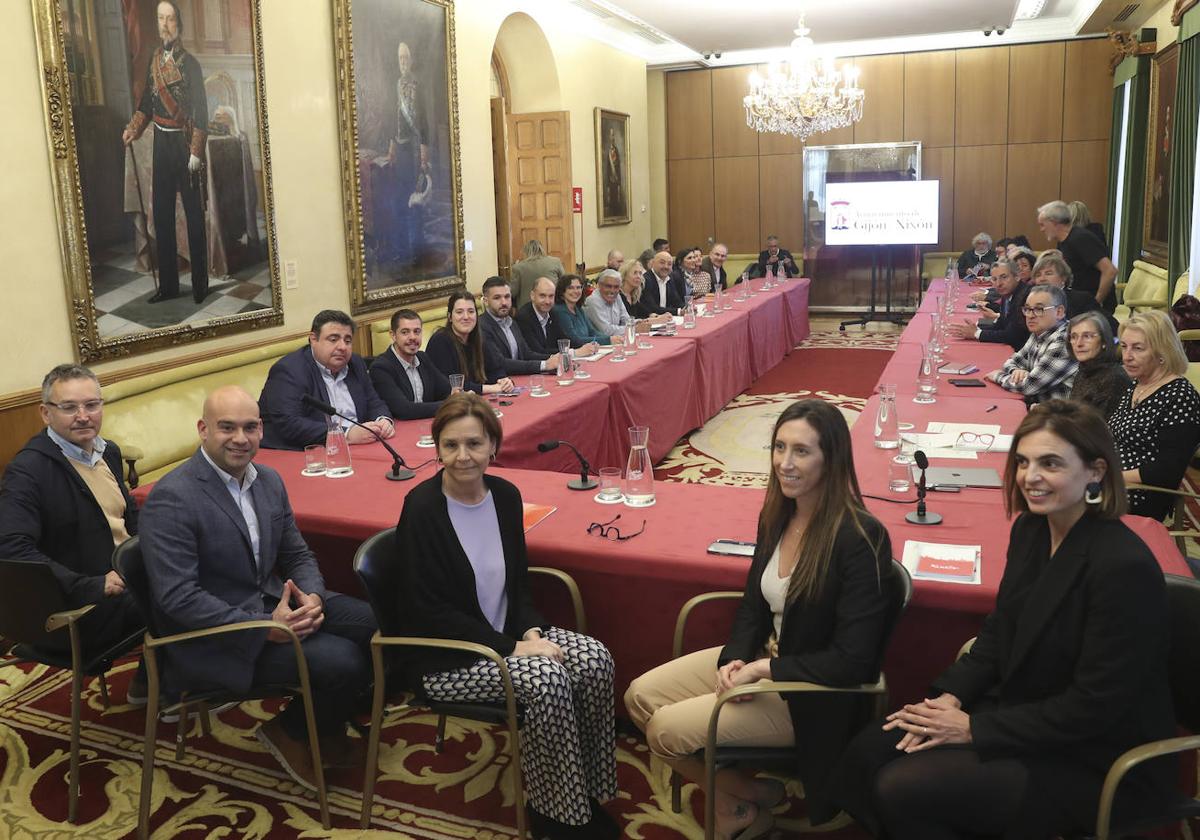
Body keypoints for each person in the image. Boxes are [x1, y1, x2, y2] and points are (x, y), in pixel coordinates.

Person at [832, 400, 1175, 840]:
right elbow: (999, 630)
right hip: (1027, 708)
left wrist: (975, 728)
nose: (1030, 477)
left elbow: (1096, 707)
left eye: (1050, 463)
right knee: (871, 750)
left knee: (901, 785)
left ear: (1096, 471)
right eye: (1024, 462)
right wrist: (953, 697)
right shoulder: (1032, 530)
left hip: (1093, 755)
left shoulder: (1122, 566)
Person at [625, 400, 895, 838]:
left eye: (802, 451)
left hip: (809, 693)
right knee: (638, 697)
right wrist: (734, 658)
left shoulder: (860, 538)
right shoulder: (779, 515)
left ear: (833, 458)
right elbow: (753, 604)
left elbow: (854, 661)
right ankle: (744, 795)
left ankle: (740, 801)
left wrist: (763, 669)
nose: (785, 463)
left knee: (664, 731)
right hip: (765, 658)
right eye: (779, 447)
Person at [395, 393, 619, 838]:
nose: (463, 457)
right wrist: (515, 648)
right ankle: (555, 815)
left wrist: (530, 629)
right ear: (436, 449)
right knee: (547, 679)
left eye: (474, 444)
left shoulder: (505, 496)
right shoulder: (422, 510)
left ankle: (586, 792)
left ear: (493, 447)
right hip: (450, 658)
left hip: (508, 637)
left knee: (595, 659)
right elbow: (428, 612)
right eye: (451, 445)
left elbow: (517, 583)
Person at [140, 386, 377, 789]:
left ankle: (316, 727)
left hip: (273, 601)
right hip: (216, 635)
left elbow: (297, 554)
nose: (240, 438)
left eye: (250, 427)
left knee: (378, 627)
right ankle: (295, 731)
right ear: (202, 429)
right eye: (226, 428)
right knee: (344, 661)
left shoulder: (267, 479)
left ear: (262, 429)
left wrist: (314, 596)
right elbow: (178, 597)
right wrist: (264, 626)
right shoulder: (172, 498)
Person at [0, 364, 145, 698]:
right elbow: (11, 549)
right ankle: (161, 684)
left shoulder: (106, 450)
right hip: (82, 608)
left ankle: (170, 675)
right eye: (69, 407)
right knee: (181, 595)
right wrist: (91, 585)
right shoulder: (29, 472)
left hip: (127, 578)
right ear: (45, 413)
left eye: (92, 405)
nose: (83, 416)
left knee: (202, 562)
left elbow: (128, 516)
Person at [121, 1, 209, 304]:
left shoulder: (191, 64)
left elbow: (201, 110)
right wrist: (134, 127)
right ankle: (169, 286)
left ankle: (200, 285)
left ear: (179, 24)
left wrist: (196, 150)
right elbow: (147, 100)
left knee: (194, 215)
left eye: (170, 19)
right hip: (160, 141)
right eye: (161, 19)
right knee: (161, 214)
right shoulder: (154, 59)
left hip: (185, 145)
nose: (165, 24)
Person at [259, 310, 394, 451]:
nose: (342, 347)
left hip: (357, 446)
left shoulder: (355, 363)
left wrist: (383, 420)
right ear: (313, 339)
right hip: (300, 452)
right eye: (333, 339)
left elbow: (374, 401)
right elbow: (289, 423)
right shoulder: (289, 370)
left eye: (347, 341)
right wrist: (346, 434)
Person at [1110, 310, 1200, 520]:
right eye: (1124, 347)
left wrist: (1109, 477)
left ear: (1162, 352)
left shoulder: (1180, 396)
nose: (1127, 356)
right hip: (1111, 480)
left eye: (1138, 348)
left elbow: (1167, 470)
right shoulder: (1138, 384)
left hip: (1140, 494)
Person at [986, 285, 1077, 404]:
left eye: (1039, 309)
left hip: (1058, 417)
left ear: (1059, 312)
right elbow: (1012, 361)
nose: (1030, 315)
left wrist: (998, 376)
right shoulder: (1040, 331)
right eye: (1027, 309)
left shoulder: (1065, 341)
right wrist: (1015, 371)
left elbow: (1028, 387)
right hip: (1038, 408)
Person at [387, 42, 431, 268]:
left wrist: (424, 151)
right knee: (401, 200)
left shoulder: (418, 85)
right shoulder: (396, 84)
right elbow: (394, 117)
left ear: (411, 60)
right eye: (400, 58)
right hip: (402, 151)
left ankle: (417, 251)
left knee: (415, 201)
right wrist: (392, 146)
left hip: (415, 150)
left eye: (406, 57)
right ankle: (403, 249)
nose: (403, 61)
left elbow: (423, 121)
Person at [425, 291, 515, 395]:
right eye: (459, 312)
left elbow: (496, 370)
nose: (466, 317)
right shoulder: (440, 341)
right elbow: (452, 385)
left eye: (471, 311)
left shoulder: (480, 338)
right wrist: (493, 388)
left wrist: (504, 381)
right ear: (450, 317)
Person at [369, 309, 451, 420]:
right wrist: (450, 405)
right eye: (405, 332)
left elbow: (446, 390)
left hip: (427, 425)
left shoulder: (423, 358)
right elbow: (404, 410)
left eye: (417, 331)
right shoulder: (381, 368)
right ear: (393, 335)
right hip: (400, 431)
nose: (412, 337)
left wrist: (458, 397)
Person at [1037, 200, 1117, 312]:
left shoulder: (1080, 238)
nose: (1041, 229)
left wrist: (1096, 302)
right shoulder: (1063, 241)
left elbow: (1110, 270)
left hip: (1091, 307)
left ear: (1054, 222)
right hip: (1076, 302)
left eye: (1042, 225)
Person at [478, 277, 561, 376]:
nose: (504, 302)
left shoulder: (511, 322)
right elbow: (500, 363)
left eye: (507, 296)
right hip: (497, 384)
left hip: (519, 380)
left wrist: (555, 358)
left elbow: (526, 354)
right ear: (486, 301)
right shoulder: (481, 326)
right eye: (497, 298)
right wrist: (544, 365)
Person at [948, 260, 1031, 350]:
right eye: (994, 279)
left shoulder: (1025, 297)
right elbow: (1000, 325)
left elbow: (1011, 335)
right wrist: (975, 330)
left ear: (1017, 276)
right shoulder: (1008, 293)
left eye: (1004, 277)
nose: (999, 284)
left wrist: (977, 333)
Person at [1031, 252, 1119, 334]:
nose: (1042, 279)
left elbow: (1110, 325)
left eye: (1048, 273)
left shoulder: (1081, 299)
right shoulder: (1031, 302)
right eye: (1038, 275)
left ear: (1063, 278)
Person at [1066, 312, 1130, 419]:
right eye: (1074, 337)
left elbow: (1099, 429)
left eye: (1087, 336)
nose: (1079, 343)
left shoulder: (1113, 378)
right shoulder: (1084, 370)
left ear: (1104, 341)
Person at [517, 276, 586, 355]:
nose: (547, 301)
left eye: (551, 296)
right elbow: (538, 351)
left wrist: (584, 346)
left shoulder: (552, 312)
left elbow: (564, 339)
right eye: (542, 296)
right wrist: (574, 352)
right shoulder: (524, 318)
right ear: (532, 295)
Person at [585, 268, 649, 337]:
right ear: (599, 285)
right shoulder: (593, 301)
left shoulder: (617, 296)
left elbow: (626, 320)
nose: (612, 291)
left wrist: (639, 322)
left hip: (615, 341)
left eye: (616, 287)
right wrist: (634, 328)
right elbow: (606, 330)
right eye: (608, 286)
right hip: (599, 344)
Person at [552, 275, 611, 347]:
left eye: (578, 287)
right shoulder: (560, 311)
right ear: (562, 291)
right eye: (570, 288)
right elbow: (575, 341)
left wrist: (610, 338)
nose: (576, 291)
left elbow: (592, 332)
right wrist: (608, 340)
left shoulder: (578, 309)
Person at [510, 240, 565, 307]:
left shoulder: (518, 267)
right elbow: (564, 284)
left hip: (528, 308)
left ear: (525, 252)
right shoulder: (555, 262)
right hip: (552, 305)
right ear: (542, 249)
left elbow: (513, 292)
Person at [642, 251, 685, 315]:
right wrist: (678, 311)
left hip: (666, 319)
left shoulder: (669, 278)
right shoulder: (646, 280)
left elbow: (677, 301)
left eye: (669, 264)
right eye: (662, 263)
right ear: (653, 263)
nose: (666, 267)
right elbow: (652, 308)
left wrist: (687, 308)